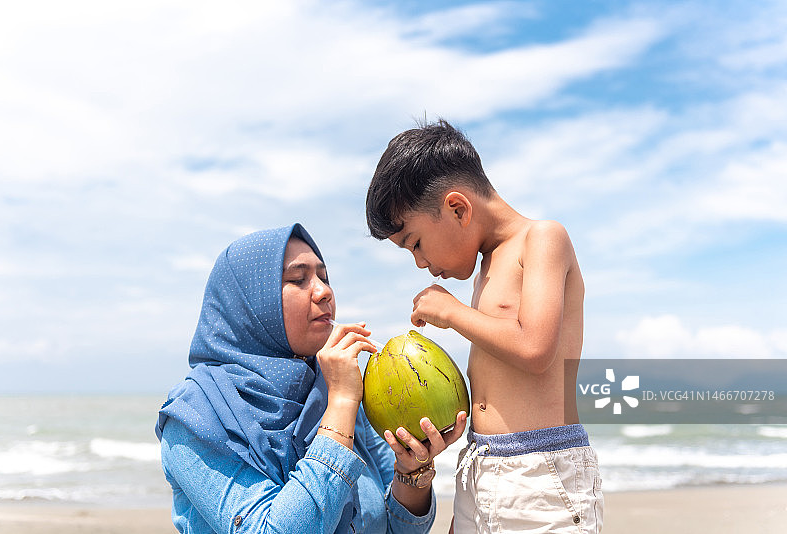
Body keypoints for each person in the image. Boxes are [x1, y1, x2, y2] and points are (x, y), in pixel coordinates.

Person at [365, 120, 604, 533]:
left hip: (543, 476)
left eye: (415, 243)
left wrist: (452, 312)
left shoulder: (543, 239)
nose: (420, 263)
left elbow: (535, 349)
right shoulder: (486, 270)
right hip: (484, 466)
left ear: (458, 208)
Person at [155, 223, 467, 534]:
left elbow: (398, 530)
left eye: (324, 278)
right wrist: (341, 403)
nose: (324, 292)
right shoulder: (194, 416)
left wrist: (411, 472)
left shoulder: (335, 387)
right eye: (297, 279)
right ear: (249, 304)